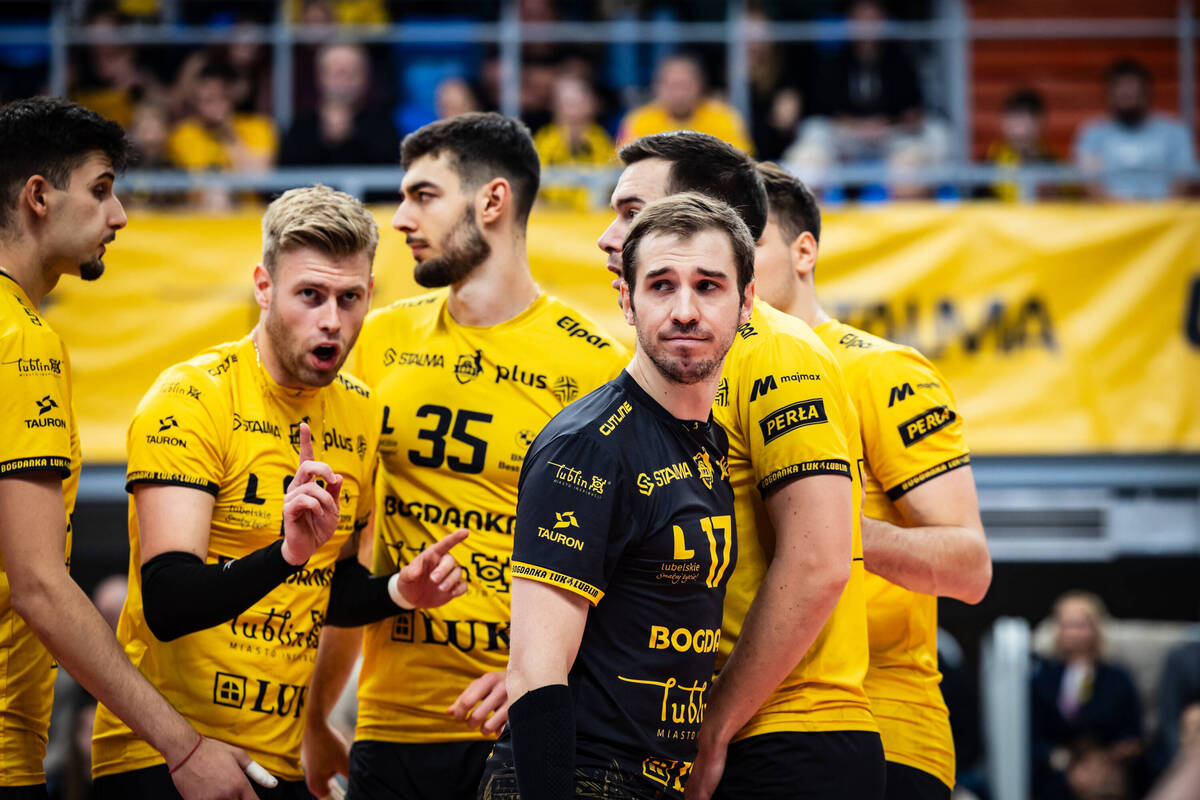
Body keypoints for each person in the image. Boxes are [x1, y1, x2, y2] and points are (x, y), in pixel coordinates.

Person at [89, 184, 470, 798]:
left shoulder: (361, 412)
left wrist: (400, 591)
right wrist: (287, 554)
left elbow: (327, 590)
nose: (332, 320)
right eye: (310, 295)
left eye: (350, 298)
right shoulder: (191, 397)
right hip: (166, 757)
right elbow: (168, 601)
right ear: (264, 287)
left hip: (281, 762)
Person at [301, 113, 629, 800]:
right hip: (391, 724)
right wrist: (316, 715)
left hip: (525, 724)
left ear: (492, 201)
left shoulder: (596, 363)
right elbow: (347, 547)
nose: (400, 219)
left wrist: (540, 678)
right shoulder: (379, 339)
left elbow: (628, 570)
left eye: (423, 195)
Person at [596, 132, 884, 800]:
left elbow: (819, 562)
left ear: (704, 217)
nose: (608, 238)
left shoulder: (777, 348)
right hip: (691, 731)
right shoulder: (663, 364)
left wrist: (715, 726)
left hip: (788, 733)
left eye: (632, 212)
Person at [0, 95, 261, 800]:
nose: (118, 216)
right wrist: (183, 747)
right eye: (101, 190)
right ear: (37, 197)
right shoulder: (20, 341)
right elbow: (39, 587)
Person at [479, 191, 751, 799]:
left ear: (746, 302)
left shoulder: (708, 441)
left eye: (708, 286)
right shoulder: (587, 446)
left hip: (654, 781)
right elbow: (534, 671)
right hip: (577, 778)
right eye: (661, 286)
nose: (685, 310)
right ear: (626, 300)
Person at [752, 161, 992, 800]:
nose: (734, 262)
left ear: (804, 252)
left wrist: (832, 528)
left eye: (753, 239)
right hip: (748, 725)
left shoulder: (881, 371)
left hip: (884, 729)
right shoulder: (714, 385)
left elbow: (970, 567)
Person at [1031, 591, 1143, 800]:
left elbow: (1132, 734)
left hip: (1109, 766)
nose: (1073, 633)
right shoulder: (1042, 678)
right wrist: (1064, 761)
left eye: (1080, 625)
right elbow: (1033, 735)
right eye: (1066, 625)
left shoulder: (1118, 678)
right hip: (1058, 771)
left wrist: (1104, 761)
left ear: (1096, 628)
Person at [1074, 59, 1196, 200]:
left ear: (1146, 93)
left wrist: (1160, 209)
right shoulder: (1093, 133)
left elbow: (1184, 178)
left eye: (1132, 93)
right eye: (1122, 94)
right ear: (1109, 95)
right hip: (1110, 212)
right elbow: (1089, 181)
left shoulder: (1174, 132)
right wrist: (1120, 208)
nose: (1127, 96)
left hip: (1165, 211)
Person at [278, 43, 400, 167]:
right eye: (335, 71)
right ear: (319, 76)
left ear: (365, 77)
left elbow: (391, 167)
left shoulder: (382, 124)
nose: (344, 78)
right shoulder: (301, 125)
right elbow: (288, 169)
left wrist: (353, 135)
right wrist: (325, 139)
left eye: (352, 71)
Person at [617, 54, 753, 155]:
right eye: (672, 86)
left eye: (685, 86)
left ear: (700, 86)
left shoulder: (724, 118)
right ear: (657, 87)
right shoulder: (639, 120)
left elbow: (739, 159)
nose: (679, 95)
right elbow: (625, 161)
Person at [533, 75, 614, 211]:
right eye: (566, 103)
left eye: (578, 102)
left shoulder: (600, 140)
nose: (572, 110)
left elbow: (610, 182)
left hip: (593, 214)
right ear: (554, 106)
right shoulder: (545, 139)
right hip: (552, 216)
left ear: (591, 105)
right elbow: (533, 186)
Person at [985, 89, 1059, 201]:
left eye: (1025, 121)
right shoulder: (989, 163)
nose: (1020, 130)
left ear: (1040, 123)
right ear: (1003, 123)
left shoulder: (1054, 164)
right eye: (1014, 120)